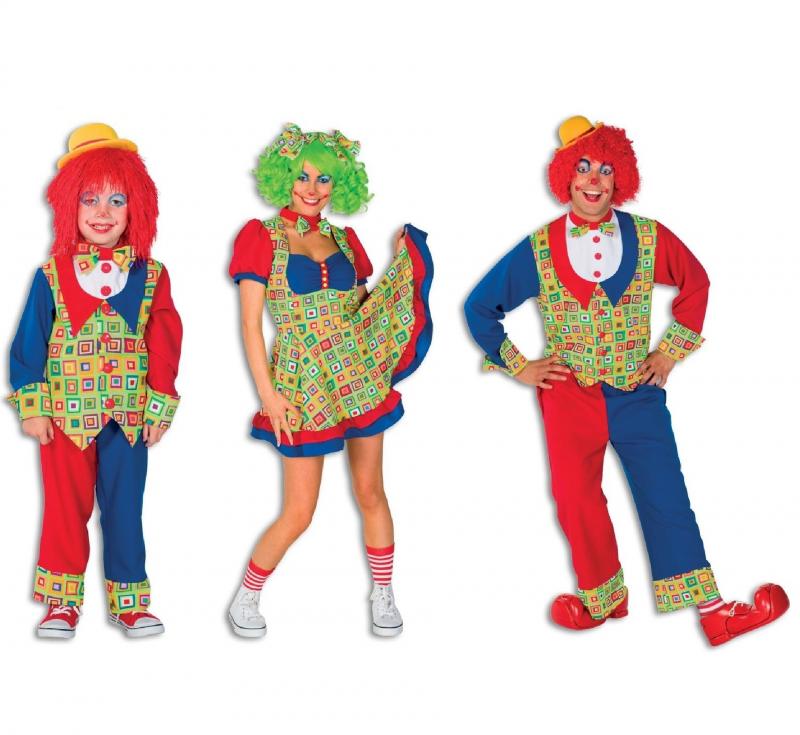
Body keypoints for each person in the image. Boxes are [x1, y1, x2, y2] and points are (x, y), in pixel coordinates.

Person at [464, 115, 788, 646]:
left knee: (665, 493)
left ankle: (713, 612)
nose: (594, 180)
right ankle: (602, 596)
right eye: (583, 168)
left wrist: (669, 352)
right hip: (568, 394)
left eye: (606, 170)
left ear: (621, 179)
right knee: (576, 499)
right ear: (566, 177)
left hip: (637, 390)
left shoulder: (648, 236)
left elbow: (696, 282)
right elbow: (480, 306)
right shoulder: (540, 248)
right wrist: (519, 365)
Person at [227, 123, 432, 638]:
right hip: (302, 382)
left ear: (339, 184)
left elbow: (362, 311)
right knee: (300, 511)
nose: (312, 188)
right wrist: (269, 395)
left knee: (371, 492)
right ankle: (247, 595)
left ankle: (383, 592)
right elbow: (250, 325)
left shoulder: (345, 240)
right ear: (283, 178)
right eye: (302, 176)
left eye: (324, 178)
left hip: (356, 375)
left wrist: (401, 268)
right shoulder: (261, 237)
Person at [8, 123, 182, 639]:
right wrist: (34, 405)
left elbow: (165, 343)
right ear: (70, 206)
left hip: (128, 417)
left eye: (116, 200)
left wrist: (159, 405)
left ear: (136, 208)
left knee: (126, 508)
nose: (102, 212)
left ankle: (130, 602)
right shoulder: (51, 275)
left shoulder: (152, 275)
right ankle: (62, 603)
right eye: (90, 199)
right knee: (65, 509)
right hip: (65, 416)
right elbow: (29, 343)